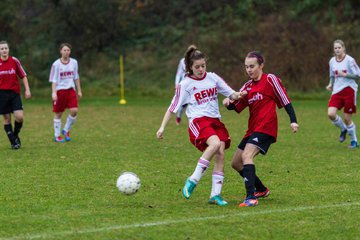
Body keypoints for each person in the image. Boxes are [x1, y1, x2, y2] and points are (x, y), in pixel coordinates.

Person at [156, 45, 246, 206]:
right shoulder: (185, 84)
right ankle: (193, 180)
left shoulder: (212, 78)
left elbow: (231, 93)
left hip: (215, 121)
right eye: (197, 67)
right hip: (198, 121)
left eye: (203, 65)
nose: (201, 69)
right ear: (190, 67)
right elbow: (172, 107)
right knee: (215, 144)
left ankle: (215, 195)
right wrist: (162, 127)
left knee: (220, 154)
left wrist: (241, 94)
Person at [223, 51, 299, 207]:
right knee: (236, 163)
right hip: (252, 129)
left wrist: (293, 121)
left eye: (252, 66)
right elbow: (235, 106)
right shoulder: (247, 86)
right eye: (246, 67)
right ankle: (261, 189)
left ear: (261, 65)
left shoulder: (270, 80)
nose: (249, 70)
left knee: (246, 156)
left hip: (266, 127)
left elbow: (285, 100)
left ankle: (251, 197)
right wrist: (228, 101)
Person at [326, 39, 360, 149]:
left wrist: (345, 75)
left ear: (343, 48)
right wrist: (330, 84)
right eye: (335, 48)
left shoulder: (349, 60)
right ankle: (343, 129)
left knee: (347, 118)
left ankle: (354, 141)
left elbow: (358, 76)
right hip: (337, 90)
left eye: (339, 48)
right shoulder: (332, 61)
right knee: (331, 114)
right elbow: (332, 75)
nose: (337, 50)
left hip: (349, 90)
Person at [0, 40, 31, 149]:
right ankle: (14, 142)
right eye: (2, 49)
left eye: (6, 48)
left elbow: (23, 76)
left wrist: (27, 90)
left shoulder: (14, 61)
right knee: (7, 119)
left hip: (14, 93)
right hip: (2, 94)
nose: (4, 50)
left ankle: (15, 135)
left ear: (8, 49)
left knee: (19, 117)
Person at [49, 43, 82, 142]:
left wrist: (79, 90)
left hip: (71, 90)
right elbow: (53, 80)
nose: (66, 52)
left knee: (74, 111)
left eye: (68, 50)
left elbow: (76, 77)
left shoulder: (74, 62)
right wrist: (54, 93)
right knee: (58, 113)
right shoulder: (56, 64)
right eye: (64, 50)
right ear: (60, 51)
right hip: (60, 91)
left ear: (70, 51)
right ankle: (57, 135)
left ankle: (66, 130)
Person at [174, 57, 186, 125]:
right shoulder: (182, 61)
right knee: (182, 103)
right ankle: (178, 117)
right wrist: (176, 84)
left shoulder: (197, 60)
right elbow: (179, 74)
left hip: (193, 85)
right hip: (183, 84)